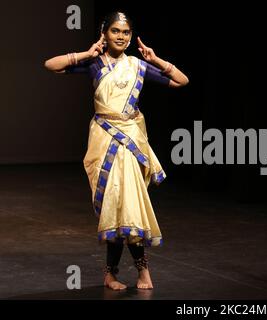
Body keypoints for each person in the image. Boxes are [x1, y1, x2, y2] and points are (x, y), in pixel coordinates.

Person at [44, 11, 189, 290]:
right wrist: (85, 53)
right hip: (104, 139)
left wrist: (154, 59)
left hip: (131, 143)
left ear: (131, 37)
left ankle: (141, 271)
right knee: (113, 207)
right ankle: (110, 274)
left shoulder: (138, 65)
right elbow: (50, 64)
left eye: (125, 33)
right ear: (104, 33)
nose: (121, 37)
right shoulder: (94, 64)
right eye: (115, 31)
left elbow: (182, 81)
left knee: (130, 206)